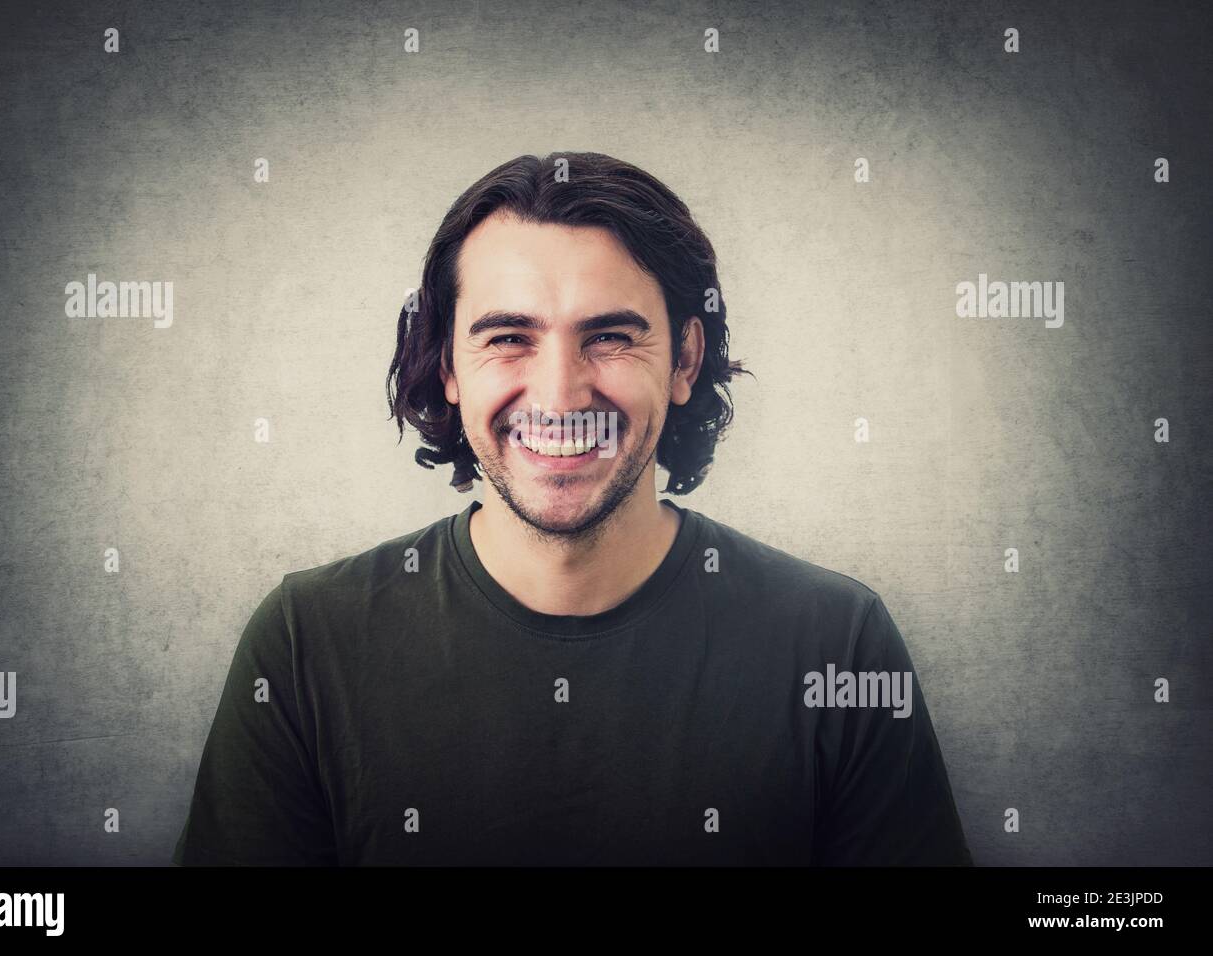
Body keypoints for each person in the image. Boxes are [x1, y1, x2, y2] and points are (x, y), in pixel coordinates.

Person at [173, 151, 972, 866]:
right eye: (509, 337)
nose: (559, 395)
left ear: (685, 358)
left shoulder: (837, 643)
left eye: (611, 337)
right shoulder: (305, 644)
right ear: (448, 364)